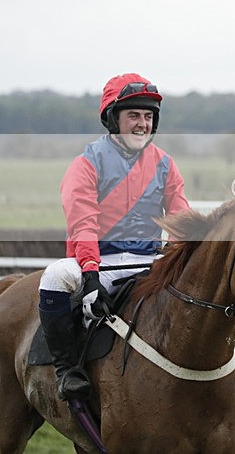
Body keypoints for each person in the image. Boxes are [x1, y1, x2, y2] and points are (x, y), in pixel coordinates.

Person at [38, 73, 191, 400]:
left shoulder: (165, 164)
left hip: (149, 262)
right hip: (99, 262)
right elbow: (83, 224)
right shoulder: (86, 164)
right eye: (133, 115)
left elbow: (181, 220)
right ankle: (67, 371)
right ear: (112, 119)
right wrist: (91, 275)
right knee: (54, 276)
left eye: (148, 116)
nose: (142, 124)